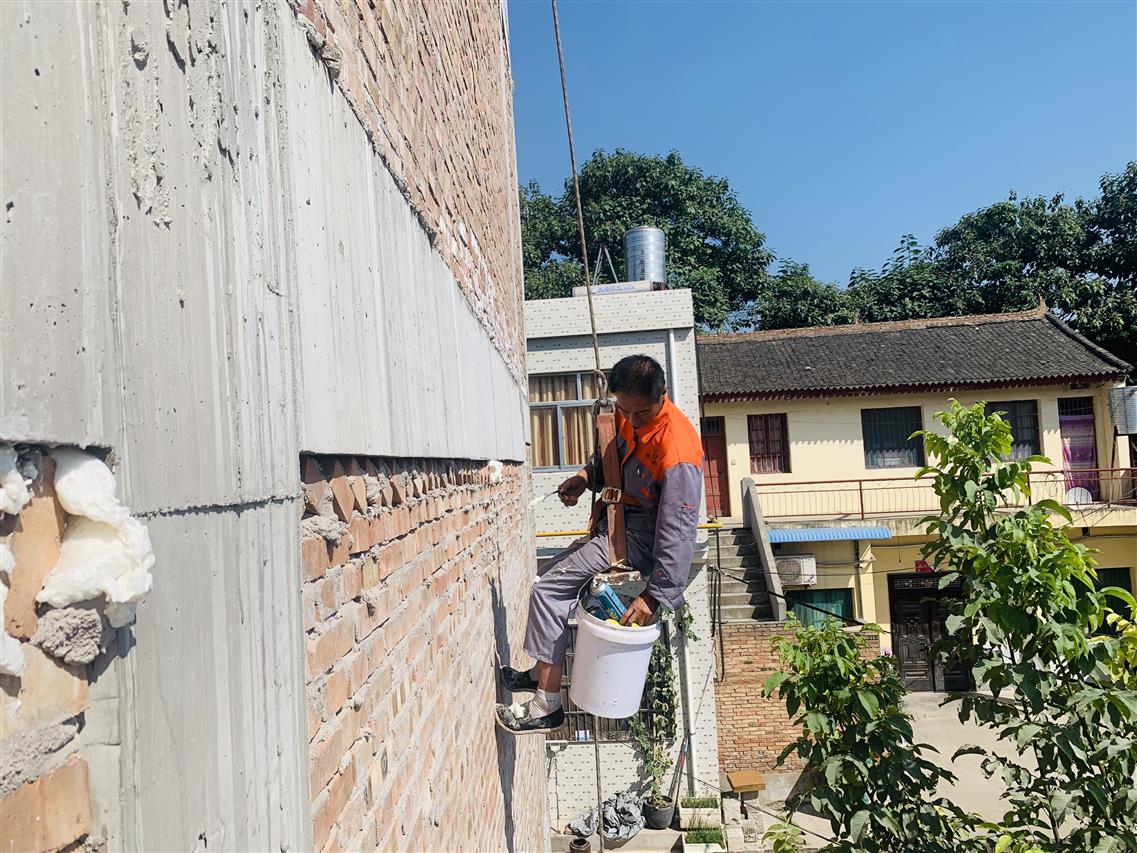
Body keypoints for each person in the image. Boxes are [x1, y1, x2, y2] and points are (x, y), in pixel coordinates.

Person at [495, 354, 703, 734]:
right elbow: (610, 457)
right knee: (548, 577)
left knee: (547, 591)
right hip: (617, 521)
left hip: (639, 539)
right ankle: (541, 672)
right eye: (626, 410)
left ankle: (546, 705)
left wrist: (654, 597)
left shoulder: (679, 449)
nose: (632, 419)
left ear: (663, 395)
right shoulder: (624, 412)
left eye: (640, 413)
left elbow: (679, 531)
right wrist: (583, 476)